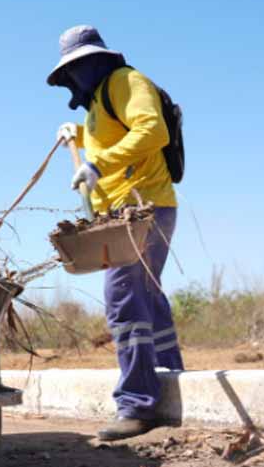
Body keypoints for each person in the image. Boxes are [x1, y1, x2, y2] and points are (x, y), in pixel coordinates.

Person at [48, 25, 183, 441]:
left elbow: (152, 131)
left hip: (142, 209)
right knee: (144, 294)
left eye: (79, 67)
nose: (76, 76)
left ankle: (136, 404)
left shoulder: (126, 81)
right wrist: (81, 136)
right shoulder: (100, 101)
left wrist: (98, 165)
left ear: (97, 61)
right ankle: (169, 375)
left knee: (123, 299)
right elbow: (116, 137)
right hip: (128, 211)